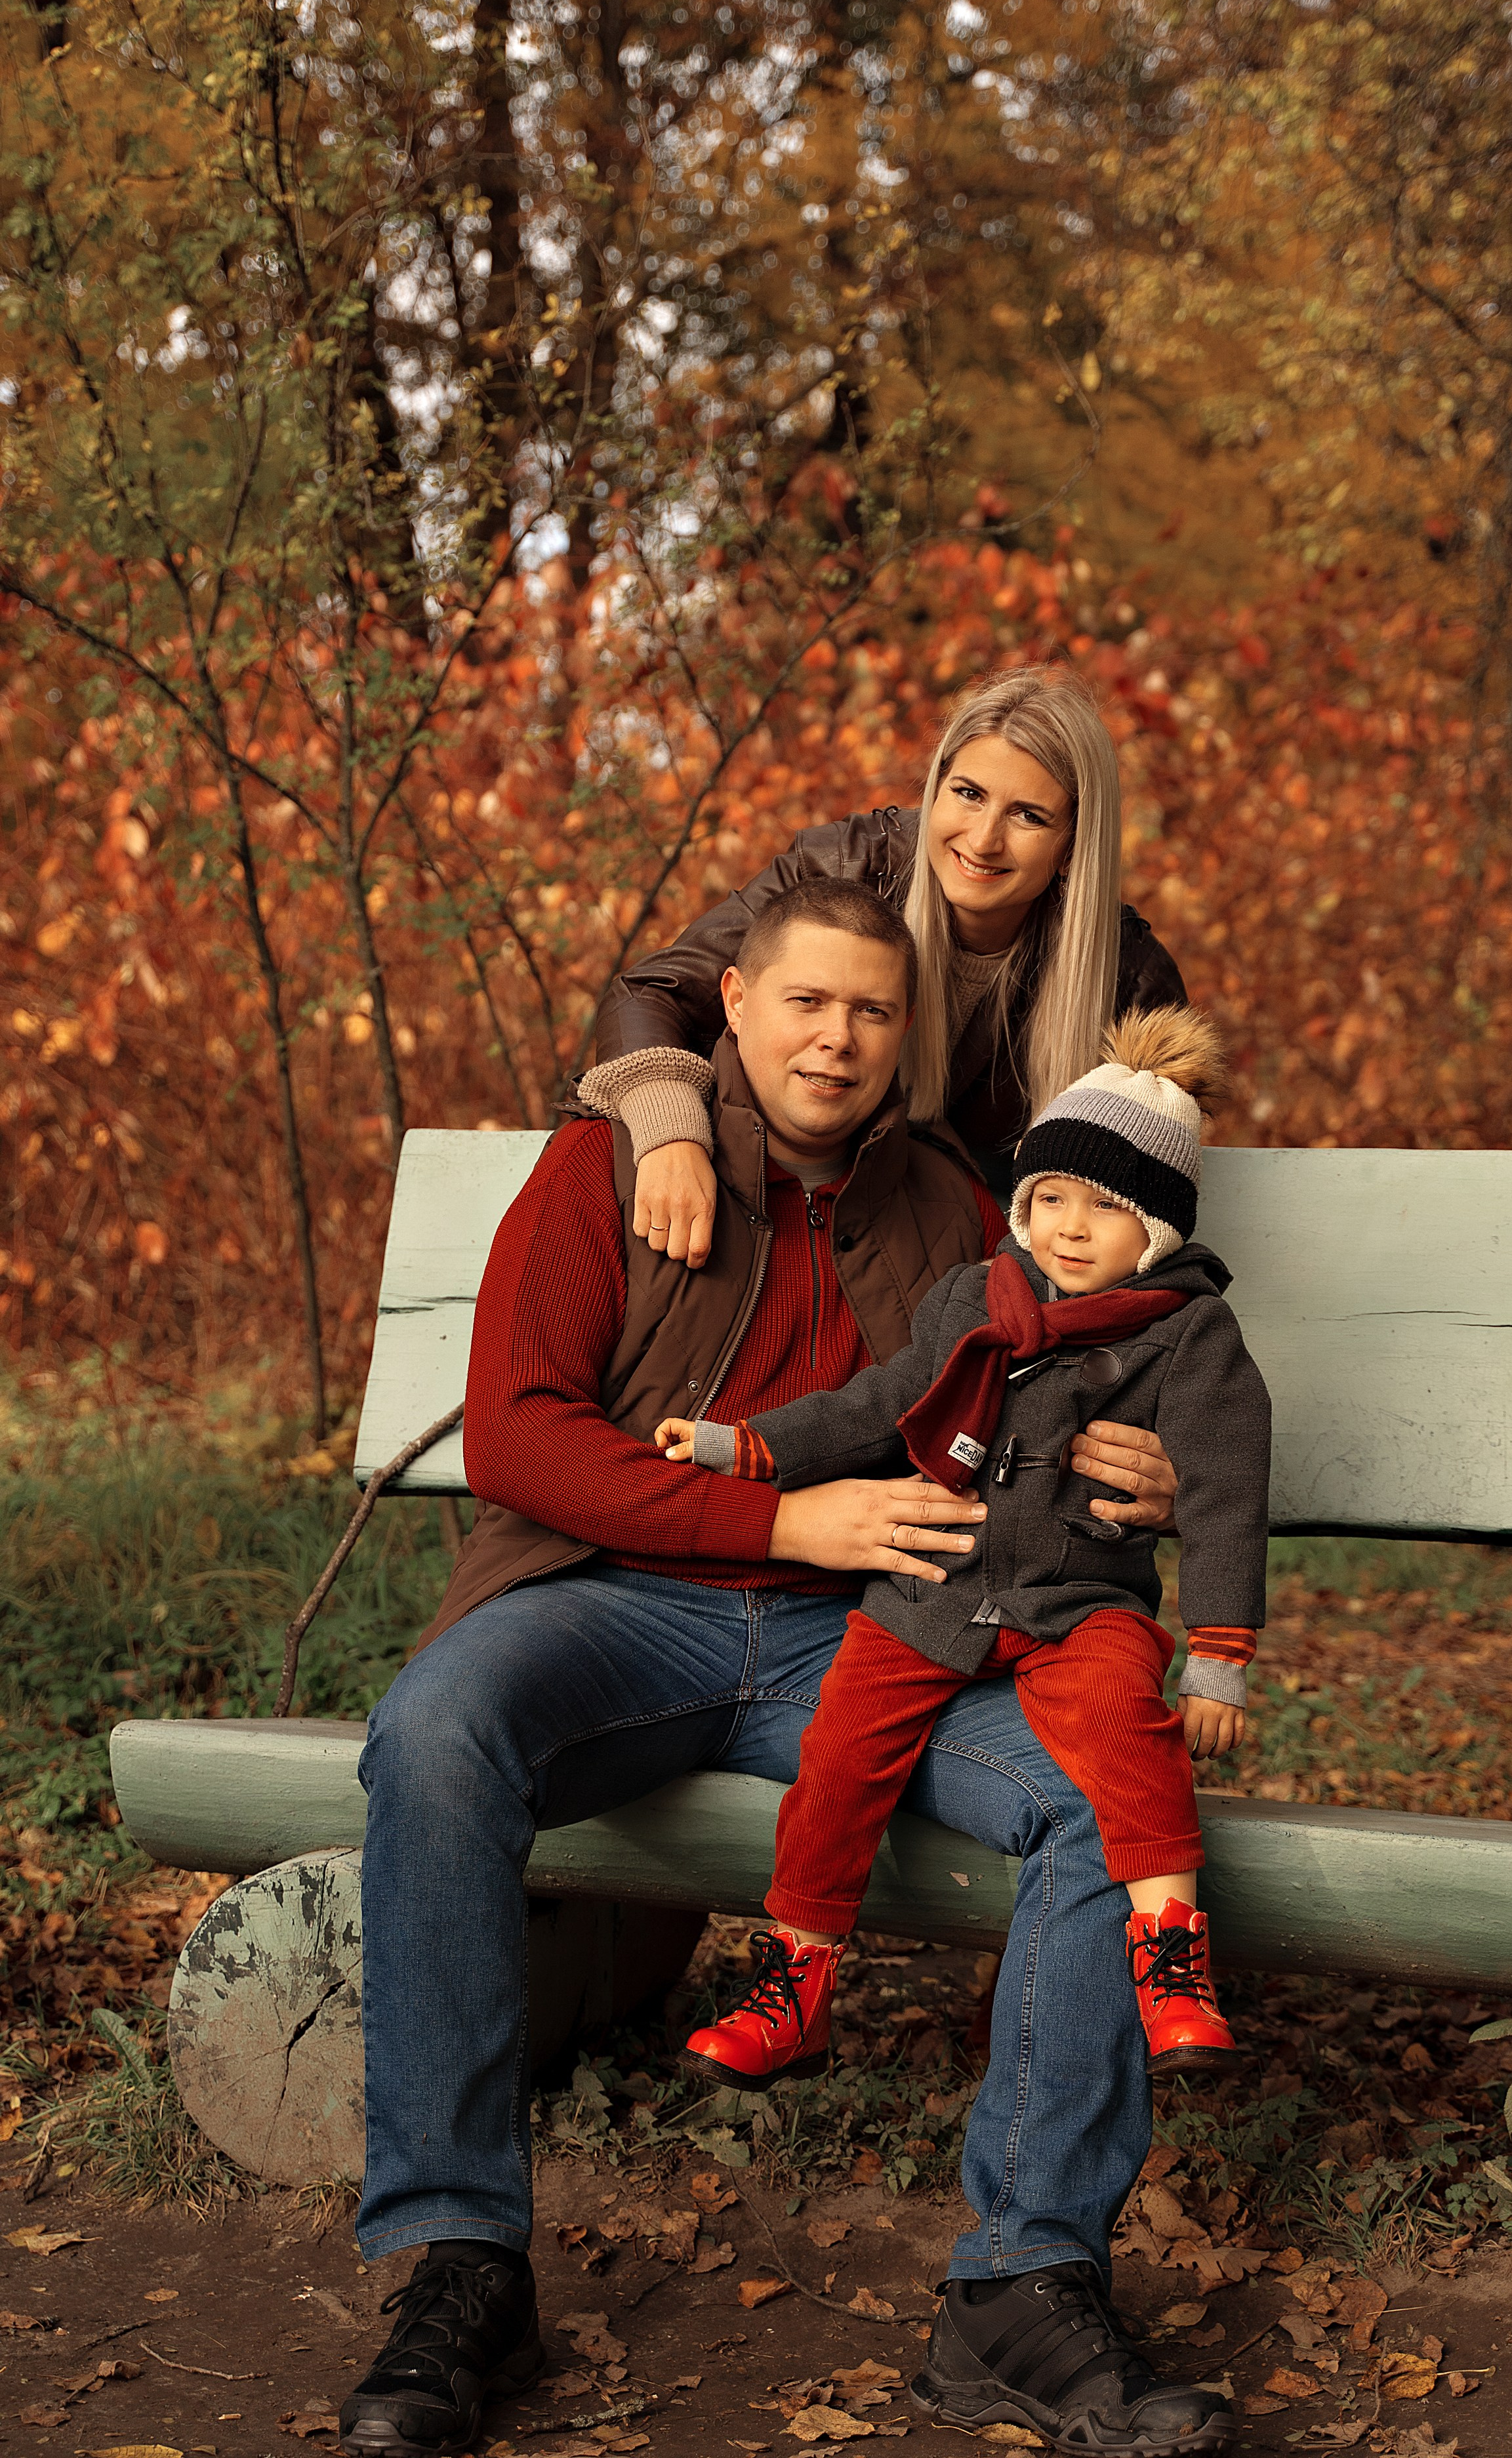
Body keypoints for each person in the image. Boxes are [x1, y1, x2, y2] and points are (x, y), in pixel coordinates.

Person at [340, 878, 1231, 2458]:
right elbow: (520, 1434)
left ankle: (1021, 2285)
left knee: (1101, 1792)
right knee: (435, 1731)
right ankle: (461, 2257)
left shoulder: (953, 1202)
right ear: (735, 1007)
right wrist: (774, 1514)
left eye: (873, 1010)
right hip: (610, 1605)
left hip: (878, 1633)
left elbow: (1077, 1382)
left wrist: (1149, 1469)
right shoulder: (609, 1163)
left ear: (907, 1035)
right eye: (806, 1001)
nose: (837, 1037)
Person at [659, 1007, 1269, 2092]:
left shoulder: (1188, 1334)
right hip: (930, 1594)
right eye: (1052, 1199)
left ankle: (1172, 1965)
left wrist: (1218, 1654)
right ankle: (797, 1982)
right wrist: (751, 1444)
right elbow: (879, 1403)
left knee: (1131, 1728)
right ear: (1023, 1205)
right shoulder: (976, 1299)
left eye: (1108, 1209)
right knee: (839, 1754)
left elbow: (1225, 1490)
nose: (1072, 1228)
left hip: (1080, 1600)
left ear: (1157, 1233)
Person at [587, 668, 1184, 1271]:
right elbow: (650, 994)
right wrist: (672, 1134)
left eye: (1028, 816)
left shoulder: (1127, 977)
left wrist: (1018, 1276)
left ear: (1073, 842)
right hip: (769, 1220)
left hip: (975, 1262)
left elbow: (1135, 1207)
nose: (983, 840)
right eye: (968, 794)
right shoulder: (846, 866)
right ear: (936, 788)